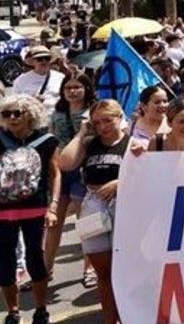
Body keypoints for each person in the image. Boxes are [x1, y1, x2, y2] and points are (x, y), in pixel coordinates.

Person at [58, 100, 129, 324]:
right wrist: (81, 133)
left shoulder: (133, 143)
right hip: (92, 206)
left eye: (108, 120)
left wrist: (120, 182)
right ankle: (110, 320)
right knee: (103, 271)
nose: (103, 127)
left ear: (120, 117)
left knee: (123, 269)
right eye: (97, 122)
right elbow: (65, 162)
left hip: (124, 208)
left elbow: (147, 174)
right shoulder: (89, 144)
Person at [0, 96, 60, 324]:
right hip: (3, 210)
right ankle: (13, 312)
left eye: (18, 113)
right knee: (4, 261)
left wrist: (53, 206)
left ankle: (40, 309)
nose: (12, 118)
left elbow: (56, 174)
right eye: (7, 114)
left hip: (35, 209)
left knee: (36, 258)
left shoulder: (46, 141)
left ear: (31, 114)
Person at [44, 73, 96, 283]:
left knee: (86, 222)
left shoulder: (93, 111)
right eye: (68, 88)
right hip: (61, 171)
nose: (72, 91)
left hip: (84, 171)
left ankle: (89, 269)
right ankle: (45, 270)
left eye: (77, 87)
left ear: (86, 89)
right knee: (54, 222)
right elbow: (51, 139)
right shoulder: (57, 113)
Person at [11, 46, 65, 125]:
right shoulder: (21, 80)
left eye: (47, 58)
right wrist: (32, 102)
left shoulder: (60, 77)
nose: (44, 61)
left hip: (56, 121)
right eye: (39, 59)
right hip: (32, 122)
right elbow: (13, 104)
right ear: (32, 61)